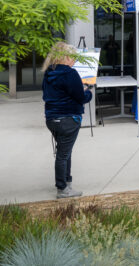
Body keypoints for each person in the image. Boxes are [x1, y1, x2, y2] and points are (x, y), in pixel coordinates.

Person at [42, 42, 92, 199]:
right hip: (68, 118)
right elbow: (81, 98)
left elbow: (49, 95)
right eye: (73, 57)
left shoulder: (49, 72)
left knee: (64, 152)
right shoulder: (70, 74)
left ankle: (67, 183)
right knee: (63, 154)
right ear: (66, 57)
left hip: (51, 118)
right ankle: (62, 188)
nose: (75, 61)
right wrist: (88, 91)